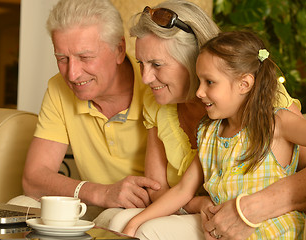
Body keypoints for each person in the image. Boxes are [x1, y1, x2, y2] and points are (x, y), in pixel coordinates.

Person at [107, 0, 306, 238]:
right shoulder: (210, 132)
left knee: (149, 231)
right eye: (141, 63)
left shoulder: (275, 119)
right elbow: (178, 190)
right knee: (120, 222)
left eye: (157, 64)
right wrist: (134, 224)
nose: (146, 78)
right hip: (218, 226)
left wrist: (254, 207)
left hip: (270, 228)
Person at [18, 0, 160, 220]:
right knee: (19, 206)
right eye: (62, 59)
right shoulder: (58, 88)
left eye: (85, 57)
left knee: (116, 220)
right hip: (92, 202)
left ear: (119, 50)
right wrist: (99, 193)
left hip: (144, 208)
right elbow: (33, 179)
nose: (72, 74)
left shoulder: (155, 88)